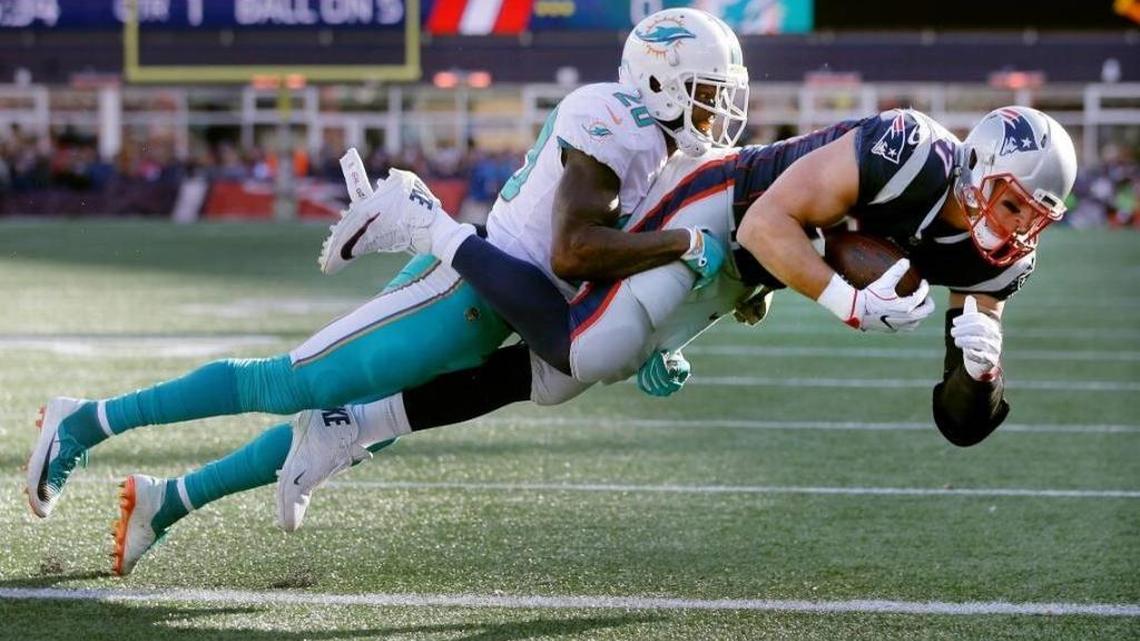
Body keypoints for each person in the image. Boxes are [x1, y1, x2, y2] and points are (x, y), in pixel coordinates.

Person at [114, 105, 1076, 575]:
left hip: (743, 268)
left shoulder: (1000, 263)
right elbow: (767, 222)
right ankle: (429, 225)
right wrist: (848, 303)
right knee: (586, 351)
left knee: (551, 377)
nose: (1017, 228)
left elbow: (959, 422)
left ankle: (354, 425)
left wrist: (980, 371)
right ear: (977, 167)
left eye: (1035, 217)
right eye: (1011, 203)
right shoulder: (904, 151)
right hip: (722, 205)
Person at [25, 8, 750, 575]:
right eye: (707, 95)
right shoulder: (619, 121)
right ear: (659, 81)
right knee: (289, 382)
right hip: (461, 292)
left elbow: (604, 262)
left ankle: (165, 503)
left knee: (342, 426)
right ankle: (85, 421)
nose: (717, 115)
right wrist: (682, 246)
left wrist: (658, 339)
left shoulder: (659, 152)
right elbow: (574, 249)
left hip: (500, 309)